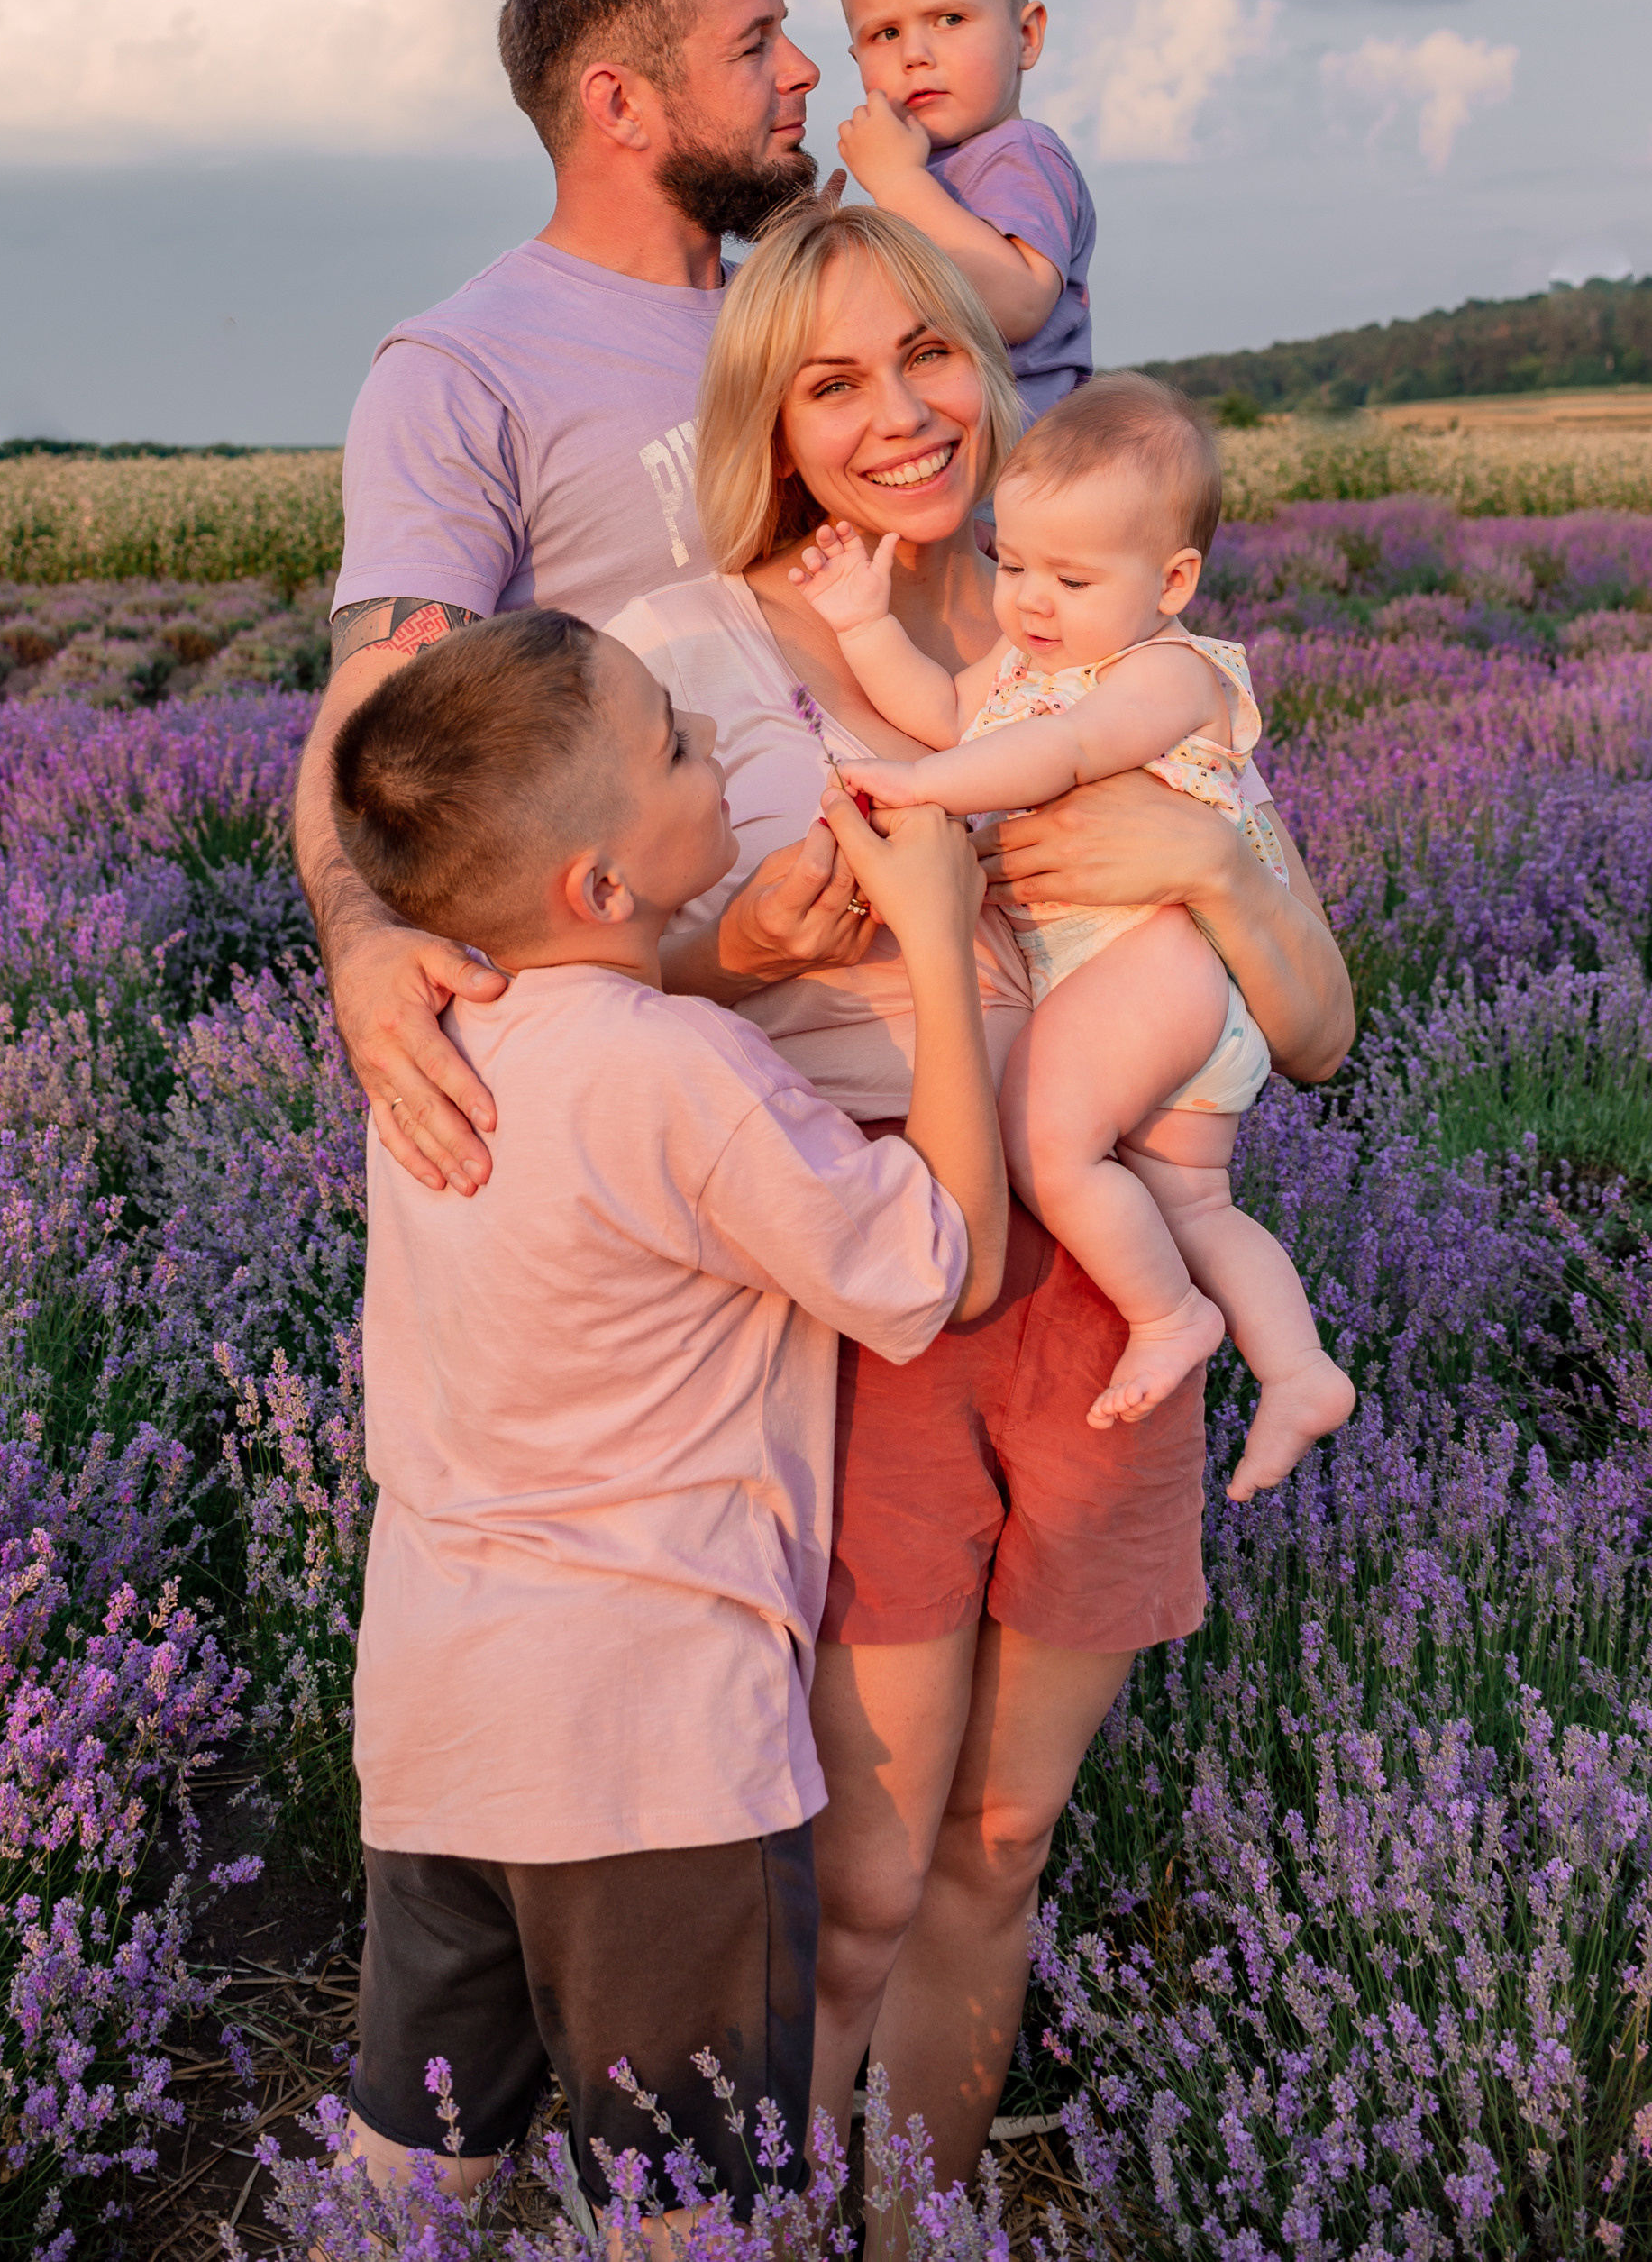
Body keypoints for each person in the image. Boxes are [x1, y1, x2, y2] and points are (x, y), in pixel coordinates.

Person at [601, 195, 1352, 2212]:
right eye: (831, 378)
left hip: (1102, 1295)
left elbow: (1310, 1028)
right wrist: (750, 944)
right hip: (884, 1295)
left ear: (987, 361)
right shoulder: (676, 652)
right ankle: (768, 2213)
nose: (898, 411)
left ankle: (912, 2216)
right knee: (863, 1861)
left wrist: (1225, 877)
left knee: (999, 1842)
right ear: (770, 413)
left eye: (927, 352)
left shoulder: (1077, 625)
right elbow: (581, 990)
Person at [327, 606, 1008, 2221]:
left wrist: (735, 955)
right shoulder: (690, 1077)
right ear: (602, 884)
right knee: (690, 2198)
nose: (713, 755)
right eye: (681, 746)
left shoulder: (437, 1040)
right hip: (651, 1752)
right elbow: (938, 1267)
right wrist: (939, 941)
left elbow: (606, 1034)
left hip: (437, 1715)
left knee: (418, 2154)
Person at [295, 0, 845, 1197]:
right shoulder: (464, 371)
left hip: (921, 1002)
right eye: (754, 44)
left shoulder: (825, 306)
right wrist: (363, 943)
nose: (806, 69)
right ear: (620, 105)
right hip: (681, 1073)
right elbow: (377, 710)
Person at [786, 372, 1356, 1500]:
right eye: (1013, 564)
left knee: (1041, 1138)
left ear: (1173, 581)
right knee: (1191, 1199)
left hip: (1161, 958)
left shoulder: (1162, 672)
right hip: (1147, 987)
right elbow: (950, 712)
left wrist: (917, 786)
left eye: (1071, 577)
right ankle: (1296, 1368)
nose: (1030, 601)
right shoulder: (1032, 663)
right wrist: (860, 622)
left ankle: (1169, 1314)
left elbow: (1053, 754)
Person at [830, 0, 1094, 422]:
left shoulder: (1019, 154)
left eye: (950, 19)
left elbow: (1020, 306)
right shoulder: (924, 170)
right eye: (884, 34)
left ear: (1026, 37)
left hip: (1026, 470)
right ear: (857, 61)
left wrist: (898, 183)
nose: (916, 54)